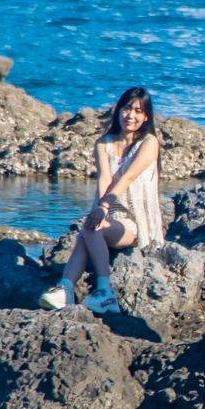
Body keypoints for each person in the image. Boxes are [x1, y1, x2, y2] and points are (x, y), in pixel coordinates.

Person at [39, 87, 164, 315]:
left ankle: (104, 291)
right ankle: (66, 288)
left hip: (135, 221)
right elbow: (105, 179)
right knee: (88, 230)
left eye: (138, 111)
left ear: (146, 116)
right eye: (127, 108)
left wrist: (103, 207)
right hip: (109, 217)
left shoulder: (149, 142)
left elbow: (128, 177)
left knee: (89, 229)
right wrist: (101, 210)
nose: (131, 115)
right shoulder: (103, 143)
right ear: (118, 110)